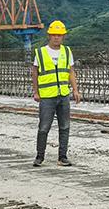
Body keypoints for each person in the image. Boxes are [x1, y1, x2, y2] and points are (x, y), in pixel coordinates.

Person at [31, 20, 81, 167]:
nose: (56, 37)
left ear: (63, 36)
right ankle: (40, 156)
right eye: (54, 35)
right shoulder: (40, 52)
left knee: (65, 127)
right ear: (49, 36)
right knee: (44, 127)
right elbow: (34, 73)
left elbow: (71, 72)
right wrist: (36, 92)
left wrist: (75, 90)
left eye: (59, 35)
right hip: (47, 96)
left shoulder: (67, 51)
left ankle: (62, 157)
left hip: (63, 95)